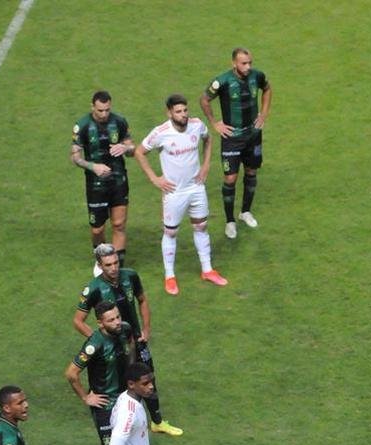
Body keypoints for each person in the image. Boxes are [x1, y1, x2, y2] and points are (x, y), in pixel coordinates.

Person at [74, 243, 182, 436]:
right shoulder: (92, 289)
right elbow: (78, 321)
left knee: (148, 377)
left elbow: (142, 299)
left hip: (136, 341)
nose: (114, 268)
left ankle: (157, 422)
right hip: (115, 346)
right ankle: (124, 422)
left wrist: (146, 330)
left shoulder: (130, 275)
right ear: (100, 265)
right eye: (108, 264)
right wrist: (98, 340)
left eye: (116, 262)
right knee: (120, 382)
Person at [133, 94, 227, 295]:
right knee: (171, 232)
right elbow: (139, 152)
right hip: (174, 192)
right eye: (178, 111)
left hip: (196, 188)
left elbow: (208, 139)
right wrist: (154, 179)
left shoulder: (197, 125)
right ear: (169, 113)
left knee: (201, 226)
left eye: (185, 110)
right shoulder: (161, 133)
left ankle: (207, 270)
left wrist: (206, 164)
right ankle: (170, 276)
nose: (184, 114)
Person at [201, 48, 272, 240]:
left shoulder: (257, 76)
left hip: (253, 134)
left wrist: (264, 113)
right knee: (230, 179)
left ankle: (245, 212)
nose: (248, 66)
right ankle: (230, 221)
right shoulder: (222, 81)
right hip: (232, 138)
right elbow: (204, 99)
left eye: (249, 62)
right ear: (234, 63)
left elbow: (267, 89)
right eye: (243, 63)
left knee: (251, 171)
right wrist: (215, 123)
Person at [66, 300, 137, 445]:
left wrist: (132, 370)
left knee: (128, 440)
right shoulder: (95, 344)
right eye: (111, 320)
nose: (117, 322)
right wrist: (86, 397)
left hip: (125, 398)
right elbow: (71, 373)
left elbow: (131, 344)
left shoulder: (126, 329)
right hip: (105, 404)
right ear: (100, 323)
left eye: (118, 317)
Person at [71, 91, 134, 266]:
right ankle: (101, 261)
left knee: (119, 224)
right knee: (97, 229)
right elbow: (75, 157)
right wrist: (94, 166)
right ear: (92, 107)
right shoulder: (82, 126)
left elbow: (132, 149)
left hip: (118, 180)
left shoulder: (119, 122)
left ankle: (117, 267)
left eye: (107, 110)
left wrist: (125, 148)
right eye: (100, 110)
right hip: (95, 185)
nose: (104, 114)